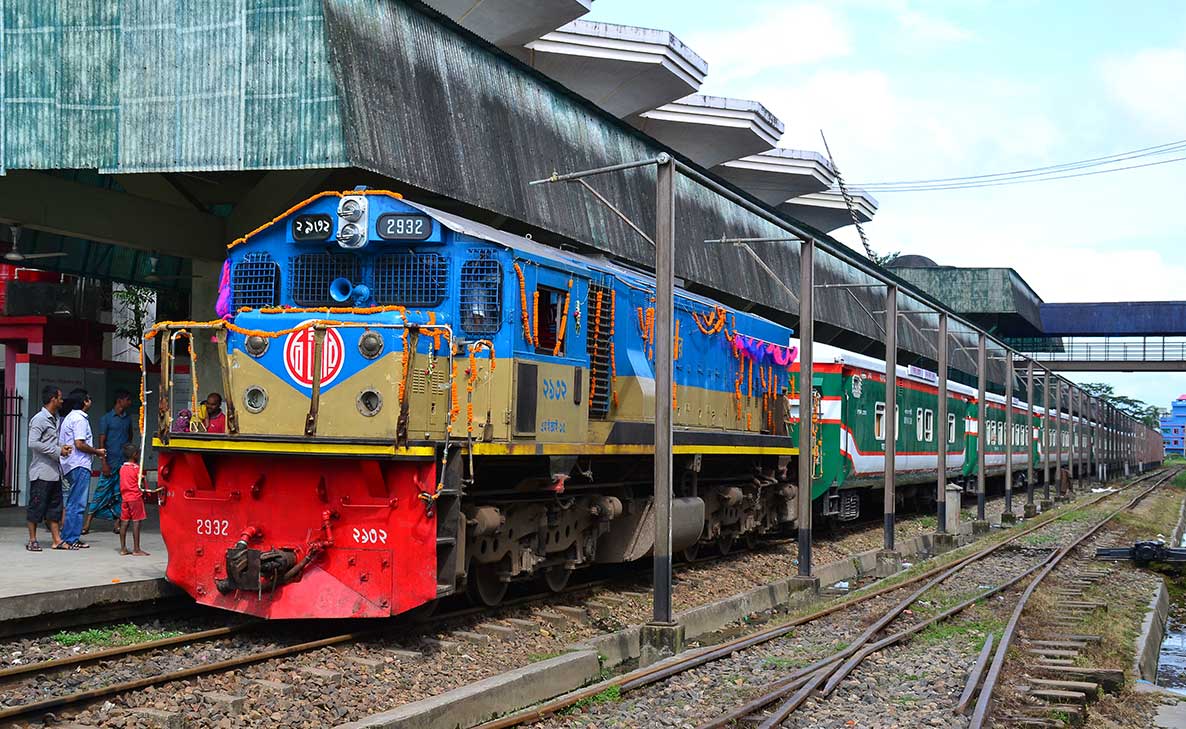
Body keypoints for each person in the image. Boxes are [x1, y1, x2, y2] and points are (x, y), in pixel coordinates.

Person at [25, 385, 72, 551]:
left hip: (54, 472)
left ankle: (56, 540)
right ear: (53, 399)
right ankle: (32, 540)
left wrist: (62, 448)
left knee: (55, 509)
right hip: (41, 472)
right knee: (36, 508)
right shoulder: (39, 419)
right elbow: (33, 442)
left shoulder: (55, 418)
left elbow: (50, 442)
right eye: (60, 397)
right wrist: (57, 450)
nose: (62, 400)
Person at [58, 389, 106, 549]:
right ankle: (70, 538)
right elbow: (79, 443)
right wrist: (97, 451)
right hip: (78, 464)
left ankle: (72, 536)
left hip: (71, 464)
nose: (91, 401)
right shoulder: (79, 419)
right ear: (84, 401)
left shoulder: (71, 417)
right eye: (89, 398)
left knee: (74, 501)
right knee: (77, 503)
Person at [82, 390, 134, 536]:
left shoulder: (127, 419)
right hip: (109, 462)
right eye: (128, 400)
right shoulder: (106, 419)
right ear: (120, 400)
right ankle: (87, 523)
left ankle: (117, 524)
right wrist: (103, 462)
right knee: (100, 492)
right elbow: (102, 441)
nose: (130, 403)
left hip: (122, 463)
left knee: (120, 494)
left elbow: (129, 436)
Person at [118, 444, 148, 556]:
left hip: (125, 498)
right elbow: (142, 484)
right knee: (136, 522)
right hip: (135, 497)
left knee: (124, 522)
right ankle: (136, 549)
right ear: (135, 455)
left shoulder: (122, 468)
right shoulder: (137, 469)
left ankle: (123, 548)